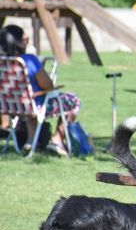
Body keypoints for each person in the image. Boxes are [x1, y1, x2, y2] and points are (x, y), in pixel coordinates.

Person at [0, 24, 79, 156]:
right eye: (26, 39)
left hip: (9, 106)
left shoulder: (2, 62)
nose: (27, 42)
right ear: (19, 42)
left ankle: (31, 142)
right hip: (34, 106)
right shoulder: (30, 61)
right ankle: (57, 139)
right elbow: (48, 86)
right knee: (73, 100)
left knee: (31, 102)